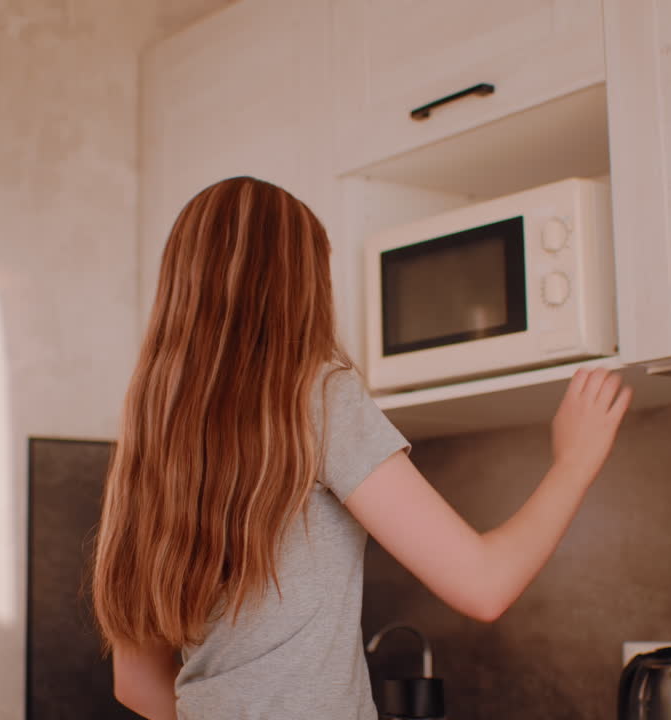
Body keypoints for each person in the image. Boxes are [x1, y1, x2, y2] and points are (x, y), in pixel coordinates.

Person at [90, 176, 631, 720]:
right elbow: (485, 586)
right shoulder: (316, 395)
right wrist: (575, 462)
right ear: (298, 284)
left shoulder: (151, 437)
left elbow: (135, 682)